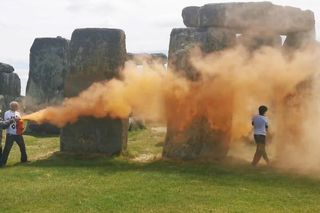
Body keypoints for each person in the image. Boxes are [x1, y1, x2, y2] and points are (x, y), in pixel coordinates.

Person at [1, 102, 28, 166]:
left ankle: (24, 160)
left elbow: (20, 122)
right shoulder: (7, 113)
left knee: (22, 147)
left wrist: (21, 126)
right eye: (16, 106)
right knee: (7, 149)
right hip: (10, 134)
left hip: (18, 134)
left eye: (17, 106)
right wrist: (14, 119)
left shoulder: (18, 113)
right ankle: (2, 163)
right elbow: (6, 122)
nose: (17, 107)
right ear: (12, 107)